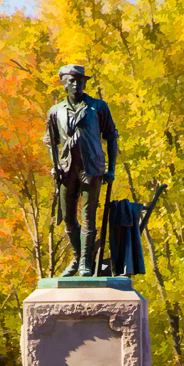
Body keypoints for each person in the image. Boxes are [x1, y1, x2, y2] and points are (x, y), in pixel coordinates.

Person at [43, 65, 119, 276]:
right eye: (71, 80)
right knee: (67, 217)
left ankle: (85, 262)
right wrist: (55, 164)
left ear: (85, 83)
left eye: (80, 80)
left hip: (92, 168)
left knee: (89, 217)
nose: (76, 84)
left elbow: (111, 136)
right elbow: (50, 140)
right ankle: (78, 257)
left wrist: (111, 169)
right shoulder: (55, 111)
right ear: (63, 83)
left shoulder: (98, 107)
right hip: (67, 170)